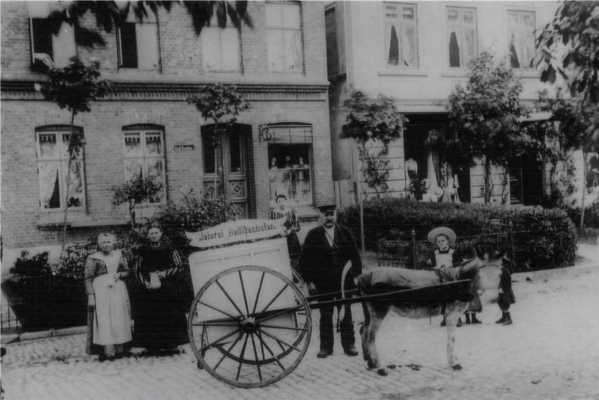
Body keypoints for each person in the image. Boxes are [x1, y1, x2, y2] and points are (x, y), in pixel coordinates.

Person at [298, 204, 362, 358]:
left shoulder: (345, 233)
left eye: (332, 214)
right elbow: (305, 261)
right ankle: (326, 347)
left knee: (346, 314)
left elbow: (355, 257)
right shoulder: (313, 235)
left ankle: (349, 345)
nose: (329, 218)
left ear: (336, 215)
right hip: (323, 283)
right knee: (325, 315)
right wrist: (309, 282)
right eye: (326, 215)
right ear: (320, 216)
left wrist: (355, 276)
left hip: (343, 283)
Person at [133, 223, 188, 354]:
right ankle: (153, 346)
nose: (154, 235)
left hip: (167, 288)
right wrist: (144, 282)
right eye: (151, 233)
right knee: (151, 316)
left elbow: (178, 266)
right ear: (147, 235)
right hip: (149, 290)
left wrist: (165, 273)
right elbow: (137, 269)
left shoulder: (169, 247)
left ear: (161, 233)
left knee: (168, 315)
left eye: (156, 233)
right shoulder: (142, 249)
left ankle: (170, 345)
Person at [85, 233, 132, 362]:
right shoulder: (93, 258)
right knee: (104, 319)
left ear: (113, 243)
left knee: (119, 317)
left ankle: (120, 349)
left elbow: (127, 271)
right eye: (104, 243)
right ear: (99, 244)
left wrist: (119, 274)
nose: (107, 245)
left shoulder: (119, 255)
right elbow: (88, 278)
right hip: (101, 291)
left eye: (109, 242)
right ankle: (105, 351)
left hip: (118, 289)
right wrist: (91, 295)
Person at [426, 227, 464, 327]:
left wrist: (452, 271)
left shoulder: (453, 252)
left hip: (451, 277)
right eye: (439, 242)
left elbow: (457, 265)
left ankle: (457, 318)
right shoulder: (435, 253)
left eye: (443, 241)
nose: (441, 243)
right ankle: (445, 318)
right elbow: (433, 265)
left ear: (447, 241)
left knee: (453, 297)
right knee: (442, 297)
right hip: (440, 276)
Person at [269, 194, 301, 268]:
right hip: (278, 237)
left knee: (293, 258)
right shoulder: (272, 214)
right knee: (280, 258)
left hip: (291, 239)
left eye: (283, 201)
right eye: (279, 201)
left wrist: (290, 230)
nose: (281, 203)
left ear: (286, 201)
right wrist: (278, 231)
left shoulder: (292, 212)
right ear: (276, 203)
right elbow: (270, 226)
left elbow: (298, 226)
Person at [496, 261, 516, 325]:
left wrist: (503, 288)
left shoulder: (504, 271)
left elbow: (507, 281)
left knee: (505, 304)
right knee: (501, 302)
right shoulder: (500, 270)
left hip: (504, 290)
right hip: (500, 290)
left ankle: (509, 319)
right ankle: (504, 317)